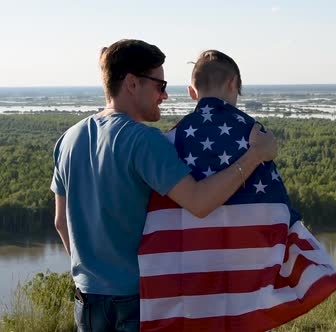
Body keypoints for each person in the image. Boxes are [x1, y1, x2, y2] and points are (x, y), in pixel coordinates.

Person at [50, 40, 278, 332]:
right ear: (132, 83)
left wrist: (92, 277)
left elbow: (60, 221)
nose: (165, 95)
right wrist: (256, 154)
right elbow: (199, 202)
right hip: (139, 301)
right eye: (160, 85)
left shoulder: (69, 138)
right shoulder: (143, 140)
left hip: (86, 298)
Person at [138, 50, 336, 331]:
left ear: (192, 91)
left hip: (188, 299)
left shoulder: (168, 142)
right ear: (233, 84)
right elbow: (277, 212)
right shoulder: (256, 137)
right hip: (243, 298)